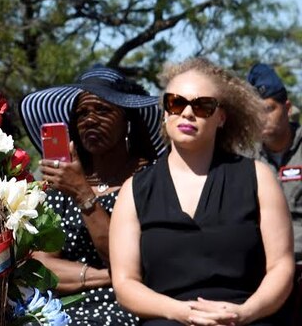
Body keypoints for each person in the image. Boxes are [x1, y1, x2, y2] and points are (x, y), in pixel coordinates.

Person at [110, 57, 294, 325]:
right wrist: (180, 312)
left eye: (202, 105)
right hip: (166, 319)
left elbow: (281, 266)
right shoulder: (134, 190)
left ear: (221, 118)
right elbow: (125, 283)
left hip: (247, 318)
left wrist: (244, 313)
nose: (187, 113)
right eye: (176, 102)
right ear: (164, 112)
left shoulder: (258, 178)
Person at [20, 64, 165, 326]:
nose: (90, 119)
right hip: (64, 308)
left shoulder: (152, 180)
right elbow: (42, 268)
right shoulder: (61, 187)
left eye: (103, 110)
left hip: (129, 306)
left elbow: (135, 259)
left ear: (128, 121)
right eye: (82, 113)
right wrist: (108, 275)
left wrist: (83, 194)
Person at [247, 63, 302, 263]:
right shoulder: (243, 158)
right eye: (255, 112)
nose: (262, 118)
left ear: (287, 108)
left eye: (269, 109)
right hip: (260, 269)